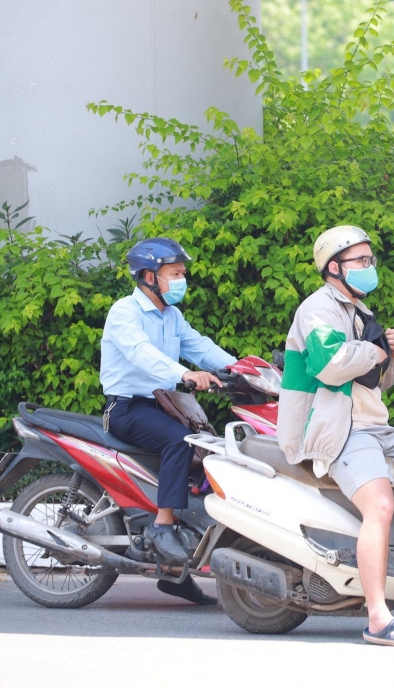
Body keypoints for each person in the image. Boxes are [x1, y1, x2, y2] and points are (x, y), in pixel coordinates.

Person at [275, 225, 394, 647]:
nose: (368, 268)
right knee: (380, 506)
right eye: (360, 261)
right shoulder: (317, 310)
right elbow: (331, 364)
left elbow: (375, 382)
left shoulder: (360, 313)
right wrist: (376, 349)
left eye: (369, 260)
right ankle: (377, 618)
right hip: (341, 427)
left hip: (375, 424)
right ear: (333, 267)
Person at [100, 236, 235, 605]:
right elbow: (141, 354)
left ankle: (176, 573)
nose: (181, 280)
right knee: (180, 441)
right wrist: (185, 375)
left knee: (212, 454)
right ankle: (162, 526)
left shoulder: (171, 315)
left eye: (182, 274)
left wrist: (241, 369)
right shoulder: (124, 313)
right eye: (174, 274)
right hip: (128, 408)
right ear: (148, 276)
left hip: (165, 406)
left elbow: (200, 346)